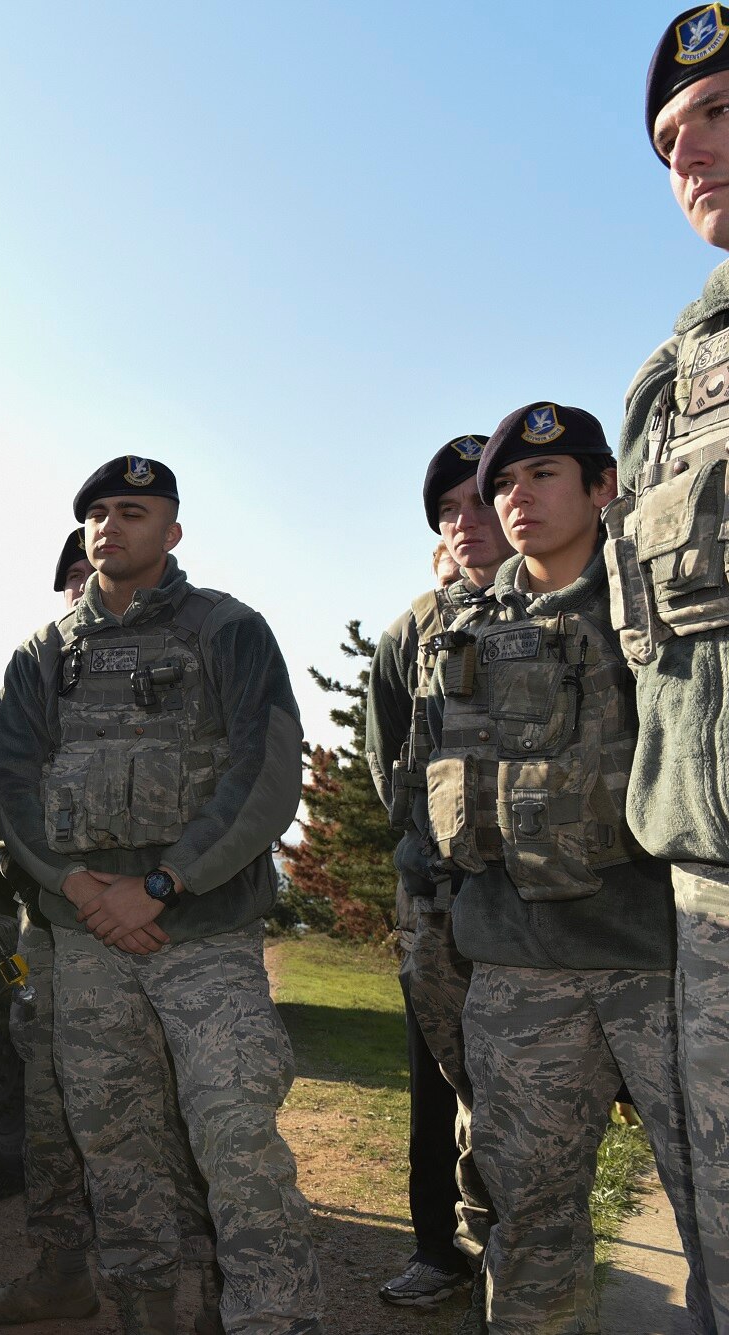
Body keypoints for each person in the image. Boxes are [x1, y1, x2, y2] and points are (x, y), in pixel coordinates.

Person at [0, 457, 322, 1334]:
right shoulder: (42, 652)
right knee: (114, 1147)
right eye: (97, 512)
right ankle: (146, 1313)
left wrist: (161, 886)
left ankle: (273, 1318)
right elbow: (12, 787)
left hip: (203, 935)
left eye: (132, 511)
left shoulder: (229, 630)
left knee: (234, 1136)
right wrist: (77, 886)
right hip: (88, 935)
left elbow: (262, 774)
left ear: (171, 532)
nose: (110, 526)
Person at [425, 403, 709, 1334]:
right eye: (504, 482)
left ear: (604, 488)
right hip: (515, 965)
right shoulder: (461, 628)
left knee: (714, 1212)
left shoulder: (664, 613)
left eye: (543, 476)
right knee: (532, 1218)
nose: (517, 498)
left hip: (659, 962)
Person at [0, 522, 221, 1332]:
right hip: (49, 935)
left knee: (179, 1114)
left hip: (160, 925)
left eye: (94, 571)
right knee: (54, 1113)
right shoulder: (39, 681)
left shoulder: (181, 667)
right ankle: (59, 1270)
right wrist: (69, 889)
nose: (87, 584)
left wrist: (141, 897)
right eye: (73, 575)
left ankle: (215, 1280)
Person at [608, 15, 729, 1327]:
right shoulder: (668, 382)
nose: (688, 149)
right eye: (667, 137)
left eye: (717, 110)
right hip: (708, 900)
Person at [365, 436, 508, 1309]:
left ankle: (513, 1245)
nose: (467, 521)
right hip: (438, 905)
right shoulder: (410, 630)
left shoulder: (577, 607)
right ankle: (436, 1248)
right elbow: (390, 767)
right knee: (436, 1080)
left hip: (538, 900)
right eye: (450, 510)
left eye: (480, 501)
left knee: (520, 1080)